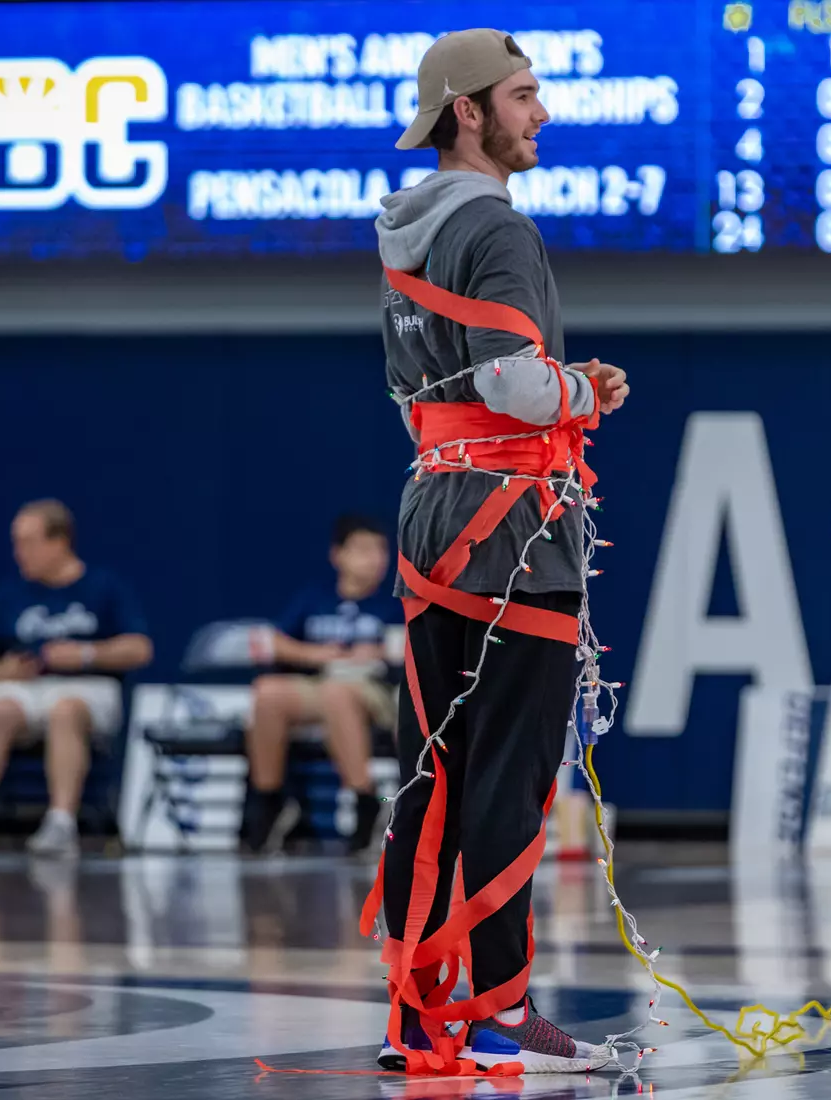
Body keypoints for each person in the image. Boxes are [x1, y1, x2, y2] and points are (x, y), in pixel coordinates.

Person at [371, 29, 629, 1075]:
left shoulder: (403, 233)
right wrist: (587, 387)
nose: (544, 112)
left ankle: (417, 1013)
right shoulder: (496, 229)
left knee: (432, 767)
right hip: (516, 527)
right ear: (467, 111)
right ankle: (499, 1005)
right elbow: (513, 385)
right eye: (525, 95)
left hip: (435, 513)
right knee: (511, 770)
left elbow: (415, 398)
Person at [0, 500, 152, 858]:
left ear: (59, 542)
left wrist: (86, 654)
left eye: (27, 542)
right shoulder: (10, 593)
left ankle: (61, 822)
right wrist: (1, 672)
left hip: (88, 685)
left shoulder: (103, 587)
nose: (19, 553)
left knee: (64, 711)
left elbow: (140, 648)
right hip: (26, 685)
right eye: (16, 542)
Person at [241, 514, 403, 857]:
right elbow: (272, 642)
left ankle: (364, 799)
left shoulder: (394, 601)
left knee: (337, 694)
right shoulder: (314, 598)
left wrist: (374, 651)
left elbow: (410, 647)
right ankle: (269, 800)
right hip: (323, 680)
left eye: (380, 550)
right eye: (362, 549)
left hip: (377, 690)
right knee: (268, 692)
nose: (374, 559)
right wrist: (320, 654)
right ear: (338, 555)